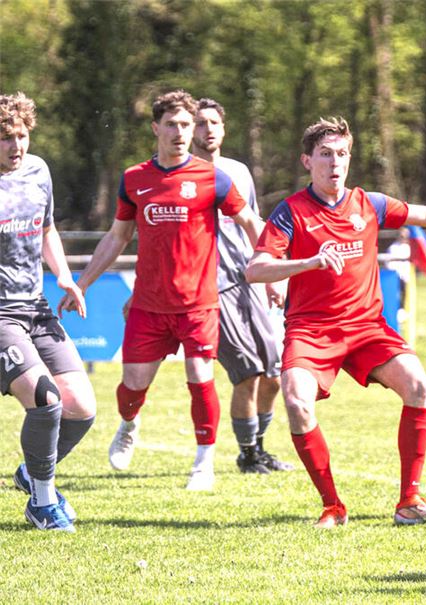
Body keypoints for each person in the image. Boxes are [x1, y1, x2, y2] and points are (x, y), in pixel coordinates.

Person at [245, 117, 426, 528]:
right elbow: (257, 269)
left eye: (342, 154)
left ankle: (409, 501)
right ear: (307, 161)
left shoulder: (367, 203)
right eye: (325, 154)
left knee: (419, 385)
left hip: (366, 327)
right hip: (311, 330)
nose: (335, 163)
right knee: (297, 403)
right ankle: (332, 506)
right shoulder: (291, 212)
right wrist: (310, 262)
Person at [60, 90, 264, 491]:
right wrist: (80, 283)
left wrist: (272, 268)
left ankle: (203, 460)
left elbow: (253, 224)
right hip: (149, 306)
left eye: (187, 125)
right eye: (171, 124)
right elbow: (117, 238)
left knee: (199, 374)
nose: (180, 132)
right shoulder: (135, 179)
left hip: (200, 304)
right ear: (156, 128)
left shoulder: (213, 178)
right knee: (132, 387)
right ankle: (129, 424)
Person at [0, 92, 97, 532]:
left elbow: (47, 228)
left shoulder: (39, 171)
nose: (15, 145)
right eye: (5, 138)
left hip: (36, 307)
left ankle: (31, 472)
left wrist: (63, 276)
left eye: (21, 136)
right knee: (46, 401)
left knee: (81, 406)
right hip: (1, 316)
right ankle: (42, 502)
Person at [191, 97, 292, 474]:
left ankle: (259, 448)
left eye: (214, 122)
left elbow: (254, 226)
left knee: (275, 373)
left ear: (224, 128)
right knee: (247, 372)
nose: (208, 130)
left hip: (249, 280)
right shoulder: (181, 177)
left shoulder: (238, 171)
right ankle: (247, 454)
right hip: (212, 288)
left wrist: (272, 275)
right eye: (200, 123)